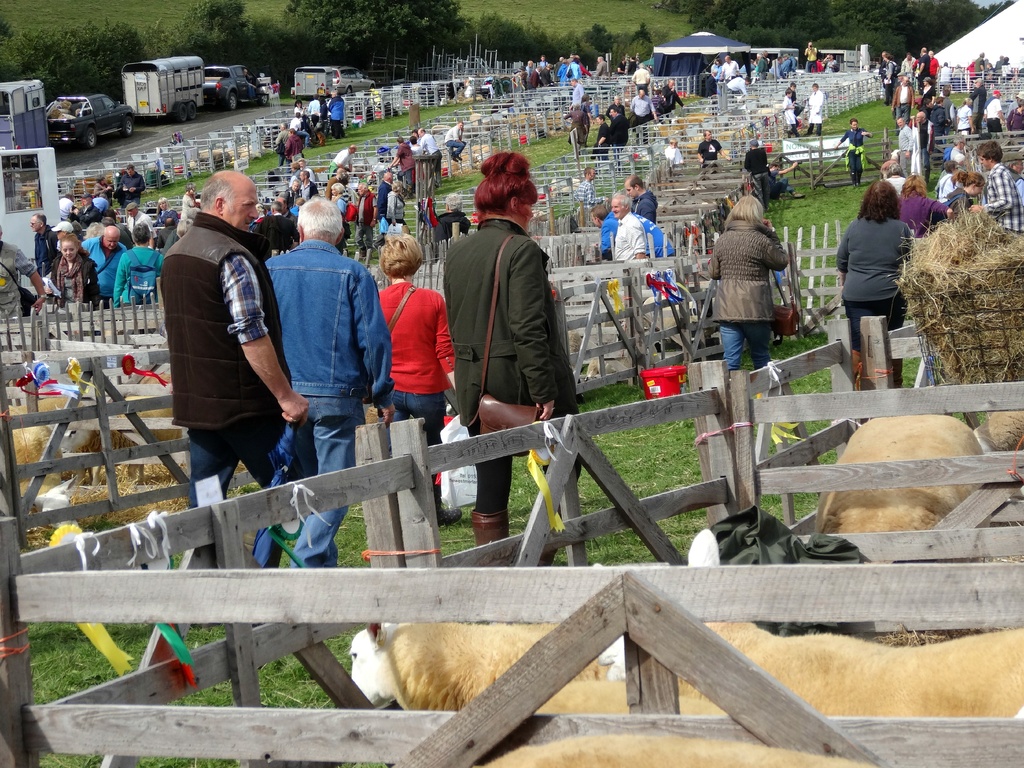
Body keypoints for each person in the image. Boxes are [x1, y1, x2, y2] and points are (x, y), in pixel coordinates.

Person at [444, 152, 577, 545]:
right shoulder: (522, 251)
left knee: (491, 473)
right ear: (516, 204)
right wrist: (544, 391)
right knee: (562, 464)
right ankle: (546, 547)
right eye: (531, 205)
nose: (533, 213)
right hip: (518, 381)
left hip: (473, 385)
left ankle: (493, 560)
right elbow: (528, 328)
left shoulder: (457, 252)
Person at [163, 171, 309, 509]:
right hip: (247, 409)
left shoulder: (175, 255)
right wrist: (285, 396)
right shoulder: (231, 257)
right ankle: (311, 560)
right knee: (294, 498)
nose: (255, 212)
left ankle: (209, 561)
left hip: (202, 408)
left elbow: (178, 329)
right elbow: (251, 333)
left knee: (207, 508)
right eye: (248, 205)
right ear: (219, 204)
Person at [266, 197, 393, 567]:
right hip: (337, 394)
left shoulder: (270, 270)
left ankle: (319, 569)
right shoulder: (353, 273)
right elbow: (373, 339)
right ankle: (304, 563)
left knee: (308, 487)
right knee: (334, 488)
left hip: (288, 394)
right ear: (339, 236)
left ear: (301, 231)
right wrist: (382, 391)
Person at [378, 234, 460, 525]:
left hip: (390, 389)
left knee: (397, 453)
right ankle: (435, 511)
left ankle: (400, 513)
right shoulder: (432, 299)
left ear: (385, 266)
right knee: (433, 450)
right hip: (426, 389)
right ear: (416, 263)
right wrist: (460, 391)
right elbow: (444, 350)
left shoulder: (376, 301)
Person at [837, 181, 913, 388]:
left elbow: (841, 262)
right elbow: (911, 261)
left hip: (857, 295)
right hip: (891, 294)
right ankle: (894, 386)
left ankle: (856, 389)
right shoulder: (901, 228)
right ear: (893, 203)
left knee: (858, 345)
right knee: (892, 341)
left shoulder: (854, 227)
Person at [971, 141, 1024, 233]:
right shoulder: (1001, 171)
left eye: (982, 159)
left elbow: (1007, 202)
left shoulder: (998, 174)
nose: (981, 163)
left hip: (1011, 228)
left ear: (991, 159)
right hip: (1009, 226)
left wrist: (983, 209)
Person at [0, 224, 46, 317]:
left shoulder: (13, 252)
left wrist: (42, 296)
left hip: (10, 310)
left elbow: (32, 272)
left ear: (0, 234)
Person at [113, 223, 163, 307]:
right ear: (149, 238)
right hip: (153, 302)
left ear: (133, 238)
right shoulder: (159, 257)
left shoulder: (126, 256)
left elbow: (119, 284)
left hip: (129, 300)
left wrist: (116, 306)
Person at [48, 233, 99, 309]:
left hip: (82, 308)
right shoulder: (56, 263)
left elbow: (94, 291)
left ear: (77, 248)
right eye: (65, 250)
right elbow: (53, 285)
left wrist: (96, 309)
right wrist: (50, 291)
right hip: (61, 307)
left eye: (71, 249)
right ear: (61, 250)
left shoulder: (86, 265)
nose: (68, 253)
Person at [82, 225, 127, 306]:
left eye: (115, 241)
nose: (112, 244)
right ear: (104, 236)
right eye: (110, 241)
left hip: (113, 295)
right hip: (93, 295)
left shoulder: (123, 249)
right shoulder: (90, 244)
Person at [610, 191, 647, 261]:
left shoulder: (631, 224)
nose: (613, 210)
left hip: (631, 269)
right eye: (612, 207)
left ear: (626, 206)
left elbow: (640, 253)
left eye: (616, 207)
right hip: (625, 268)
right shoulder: (623, 222)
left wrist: (637, 270)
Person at [836, 118, 873, 187]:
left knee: (859, 167)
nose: (855, 126)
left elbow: (871, 136)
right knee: (853, 167)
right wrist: (837, 145)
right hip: (852, 151)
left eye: (856, 124)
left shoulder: (861, 130)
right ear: (850, 125)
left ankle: (858, 181)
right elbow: (843, 139)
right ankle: (854, 183)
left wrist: (867, 133)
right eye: (853, 125)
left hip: (859, 151)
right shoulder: (848, 132)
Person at [744, 140, 771, 208]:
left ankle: (762, 207)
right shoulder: (762, 152)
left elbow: (746, 166)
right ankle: (766, 205)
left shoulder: (749, 154)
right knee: (766, 190)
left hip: (756, 174)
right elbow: (765, 162)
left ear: (751, 145)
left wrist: (750, 170)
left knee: (759, 191)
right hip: (764, 172)